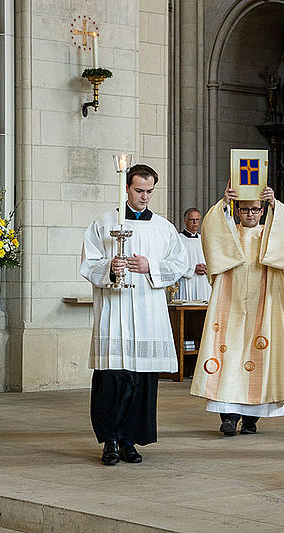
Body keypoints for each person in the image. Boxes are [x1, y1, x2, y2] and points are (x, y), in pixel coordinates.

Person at [80, 164, 188, 466]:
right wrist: (109, 267)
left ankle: (129, 441)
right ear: (126, 188)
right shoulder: (104, 224)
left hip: (147, 311)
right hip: (115, 311)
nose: (144, 197)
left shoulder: (164, 228)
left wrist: (150, 265)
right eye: (139, 190)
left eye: (149, 191)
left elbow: (179, 263)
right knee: (113, 378)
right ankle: (110, 441)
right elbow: (89, 262)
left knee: (141, 381)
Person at [189, 184, 284, 436]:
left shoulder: (269, 234)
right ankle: (228, 417)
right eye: (244, 209)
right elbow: (211, 230)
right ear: (237, 211)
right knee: (228, 357)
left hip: (264, 303)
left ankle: (252, 420)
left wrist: (276, 204)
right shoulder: (230, 232)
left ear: (262, 211)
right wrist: (223, 203)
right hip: (230, 303)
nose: (250, 214)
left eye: (255, 209)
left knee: (260, 357)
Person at [175, 208, 212, 302]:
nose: (195, 222)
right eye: (192, 220)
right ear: (185, 220)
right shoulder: (178, 240)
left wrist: (208, 268)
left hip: (203, 283)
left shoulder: (204, 239)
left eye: (197, 219)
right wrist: (192, 269)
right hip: (187, 282)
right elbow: (174, 263)